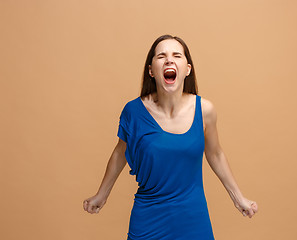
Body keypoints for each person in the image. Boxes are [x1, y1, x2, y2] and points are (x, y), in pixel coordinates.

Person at [83, 34, 258, 239]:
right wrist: (102, 195)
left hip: (193, 220)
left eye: (177, 55)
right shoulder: (133, 111)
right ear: (151, 71)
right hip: (148, 220)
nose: (169, 60)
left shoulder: (205, 110)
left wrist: (238, 198)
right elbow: (120, 153)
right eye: (161, 56)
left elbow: (215, 154)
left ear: (187, 69)